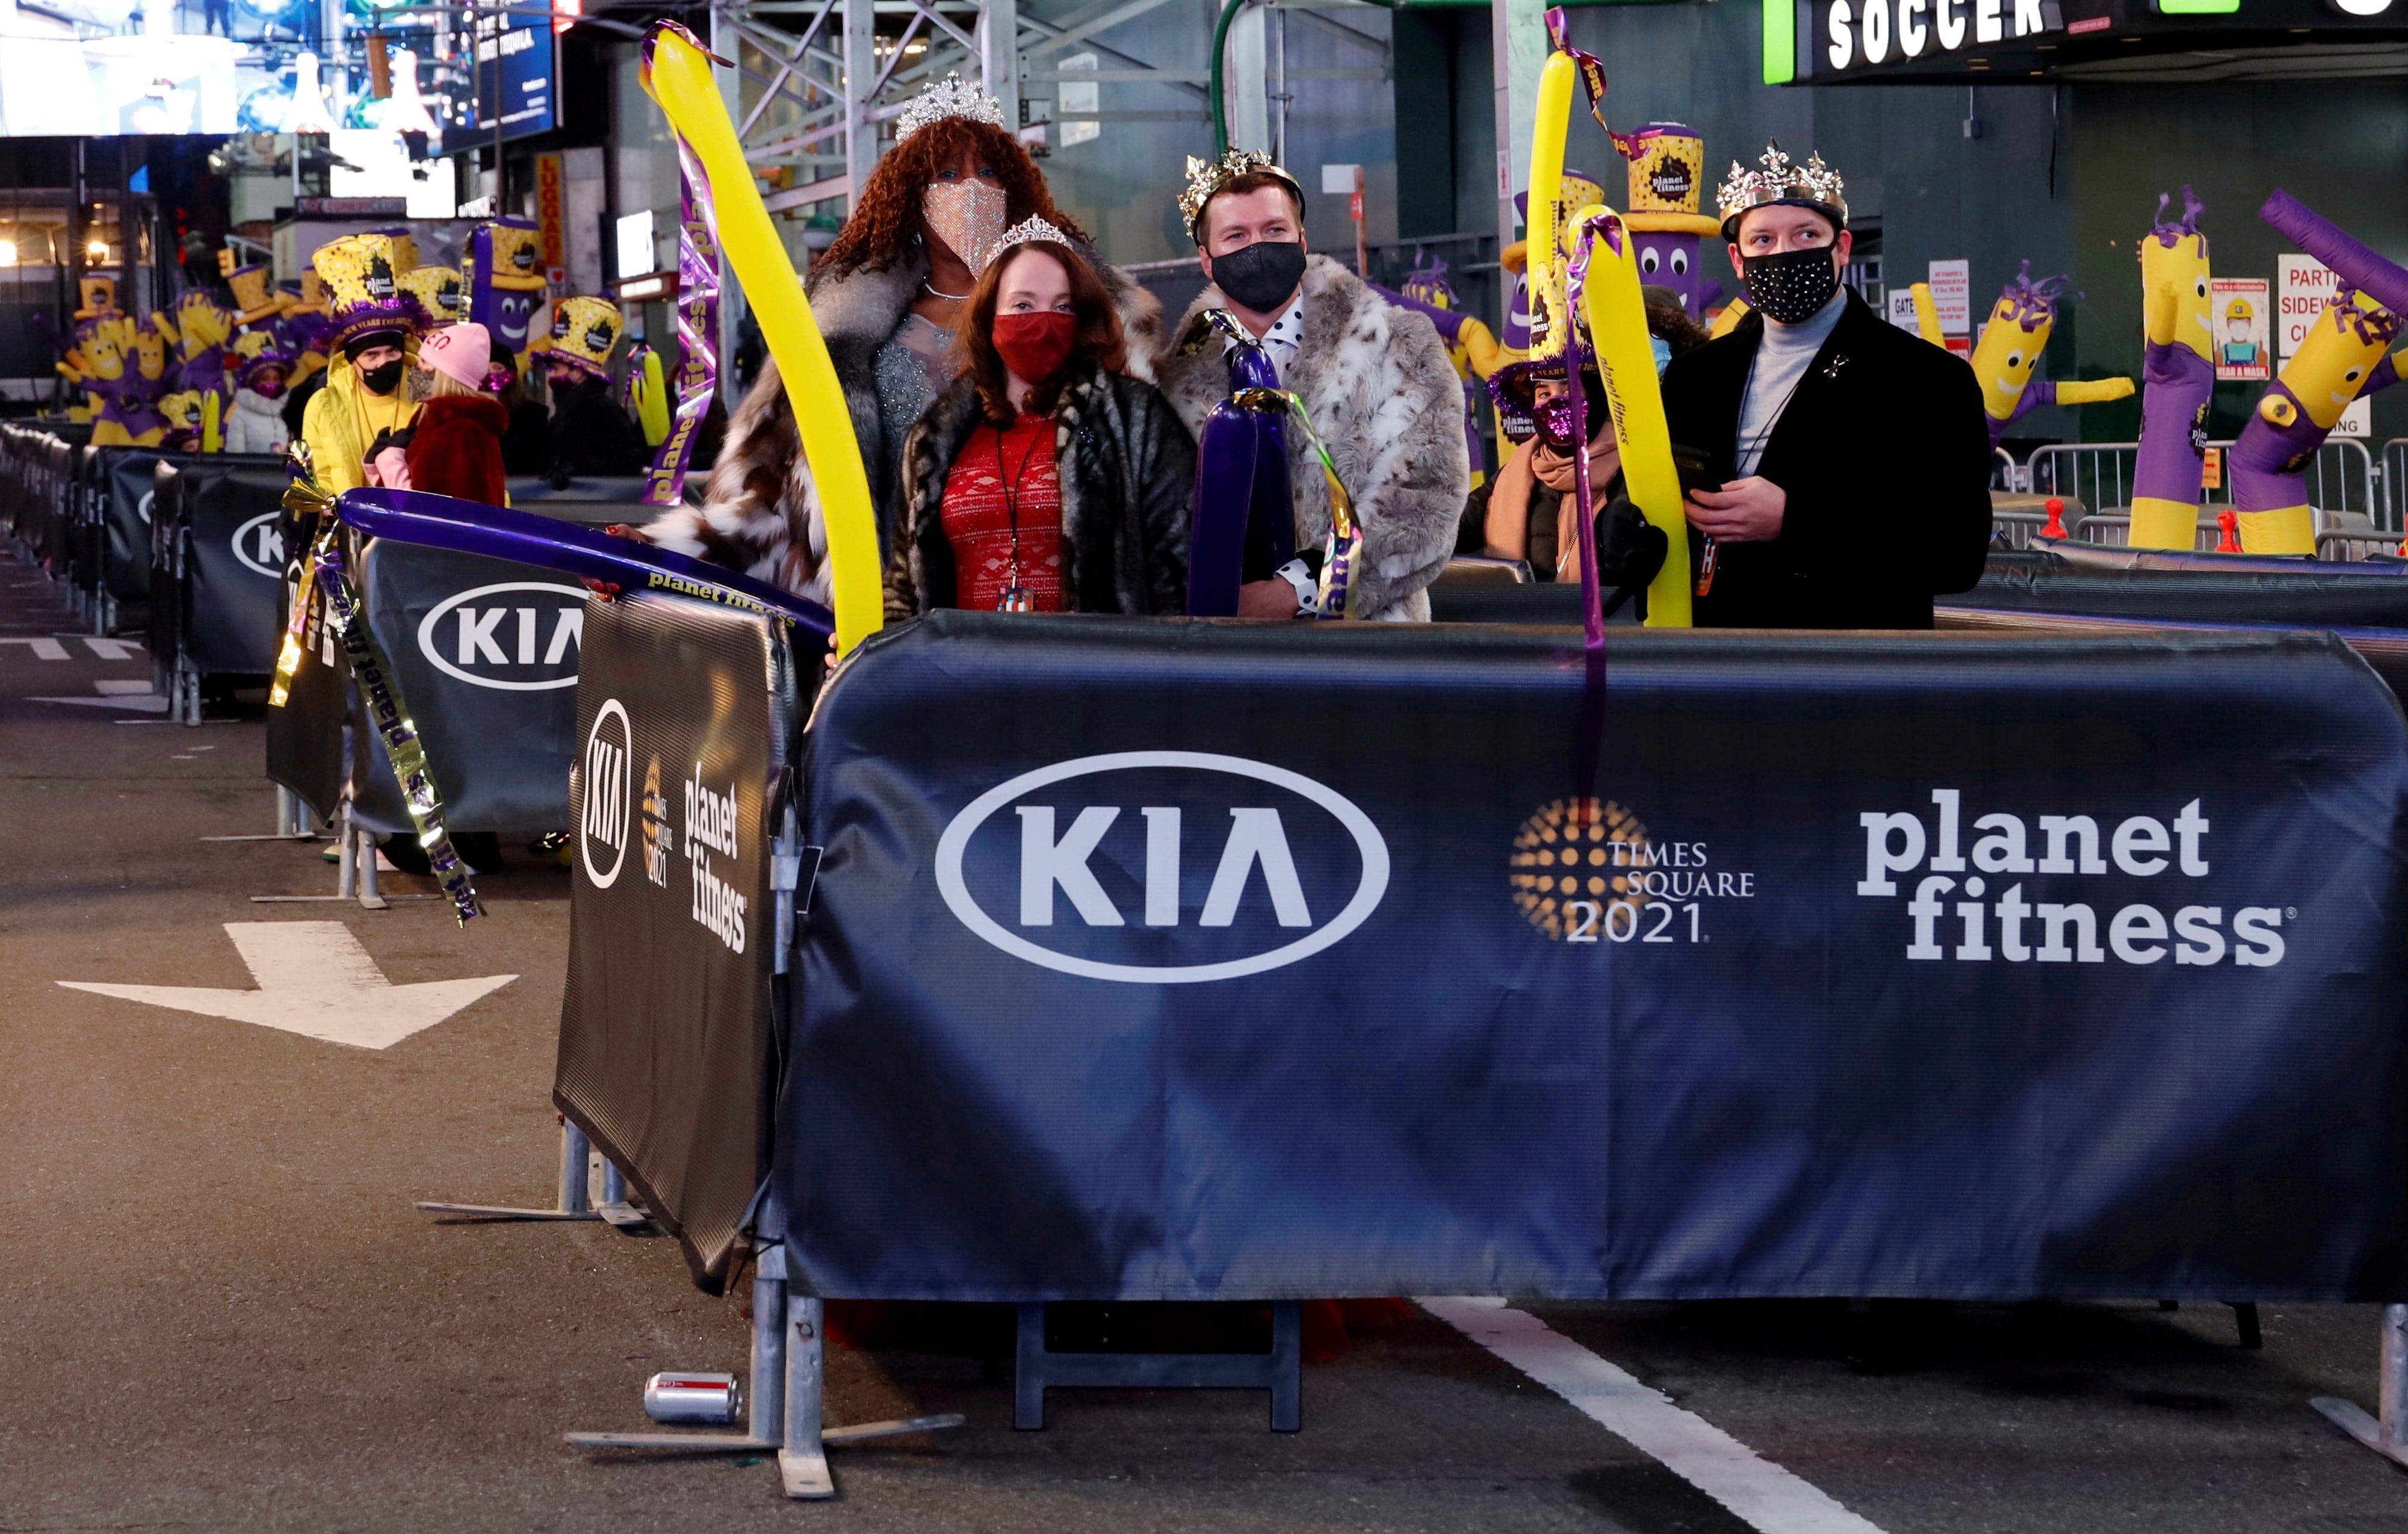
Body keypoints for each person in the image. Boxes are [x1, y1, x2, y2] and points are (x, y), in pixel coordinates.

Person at [650, 73, 1158, 599]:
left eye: (988, 171)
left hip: (1058, 600)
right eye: (947, 173)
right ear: (911, 197)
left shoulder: (1075, 317)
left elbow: (1148, 478)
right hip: (898, 611)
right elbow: (775, 500)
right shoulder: (845, 335)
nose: (971, 189)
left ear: (1014, 191)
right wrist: (668, 553)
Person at [1658, 143, 1990, 628]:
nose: (1784, 254)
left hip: (1853, 667)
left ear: (1842, 247)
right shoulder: (1695, 377)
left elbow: (1957, 552)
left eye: (1805, 234)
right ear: (1736, 257)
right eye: (1763, 240)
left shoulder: (1925, 378)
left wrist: (1795, 520)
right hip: (1718, 664)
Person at [1153, 148, 1467, 621]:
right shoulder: (1171, 380)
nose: (1256, 247)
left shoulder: (1397, 346)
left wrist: (1299, 591)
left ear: (1301, 241)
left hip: (1364, 645)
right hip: (1217, 651)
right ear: (1206, 259)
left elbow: (1425, 505)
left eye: (1273, 230)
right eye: (1235, 235)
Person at [886, 222, 1191, 617]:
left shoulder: (1136, 418)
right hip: (962, 673)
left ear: (1083, 316)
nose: (1044, 321)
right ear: (989, 315)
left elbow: (1179, 567)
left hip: (1094, 672)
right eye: (1023, 305)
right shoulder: (934, 438)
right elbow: (903, 584)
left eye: (1062, 306)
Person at [1469, 292, 1707, 583]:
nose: (1556, 402)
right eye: (1544, 393)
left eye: (1569, 390)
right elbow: (1450, 526)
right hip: (1522, 624)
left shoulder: (1635, 463)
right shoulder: (1516, 472)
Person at [299, 233, 419, 496]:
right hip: (353, 532)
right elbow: (320, 479)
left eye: (392, 352)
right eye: (371, 356)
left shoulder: (431, 393)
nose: (384, 361)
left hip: (421, 531)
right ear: (352, 361)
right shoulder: (324, 406)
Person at [366, 323, 509, 504]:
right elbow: (400, 500)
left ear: (445, 374)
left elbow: (427, 515)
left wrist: (390, 460)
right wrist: (375, 466)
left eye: (424, 362)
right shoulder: (431, 420)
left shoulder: (460, 432)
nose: (415, 369)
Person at [534, 297, 649, 482]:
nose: (551, 375)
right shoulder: (565, 410)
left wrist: (579, 466)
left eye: (556, 369)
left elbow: (630, 462)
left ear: (578, 372)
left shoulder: (605, 410)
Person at [222, 341, 291, 455]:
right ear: (255, 382)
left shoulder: (294, 412)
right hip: (251, 472)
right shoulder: (239, 415)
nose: (271, 384)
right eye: (265, 379)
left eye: (276, 379)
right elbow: (235, 459)